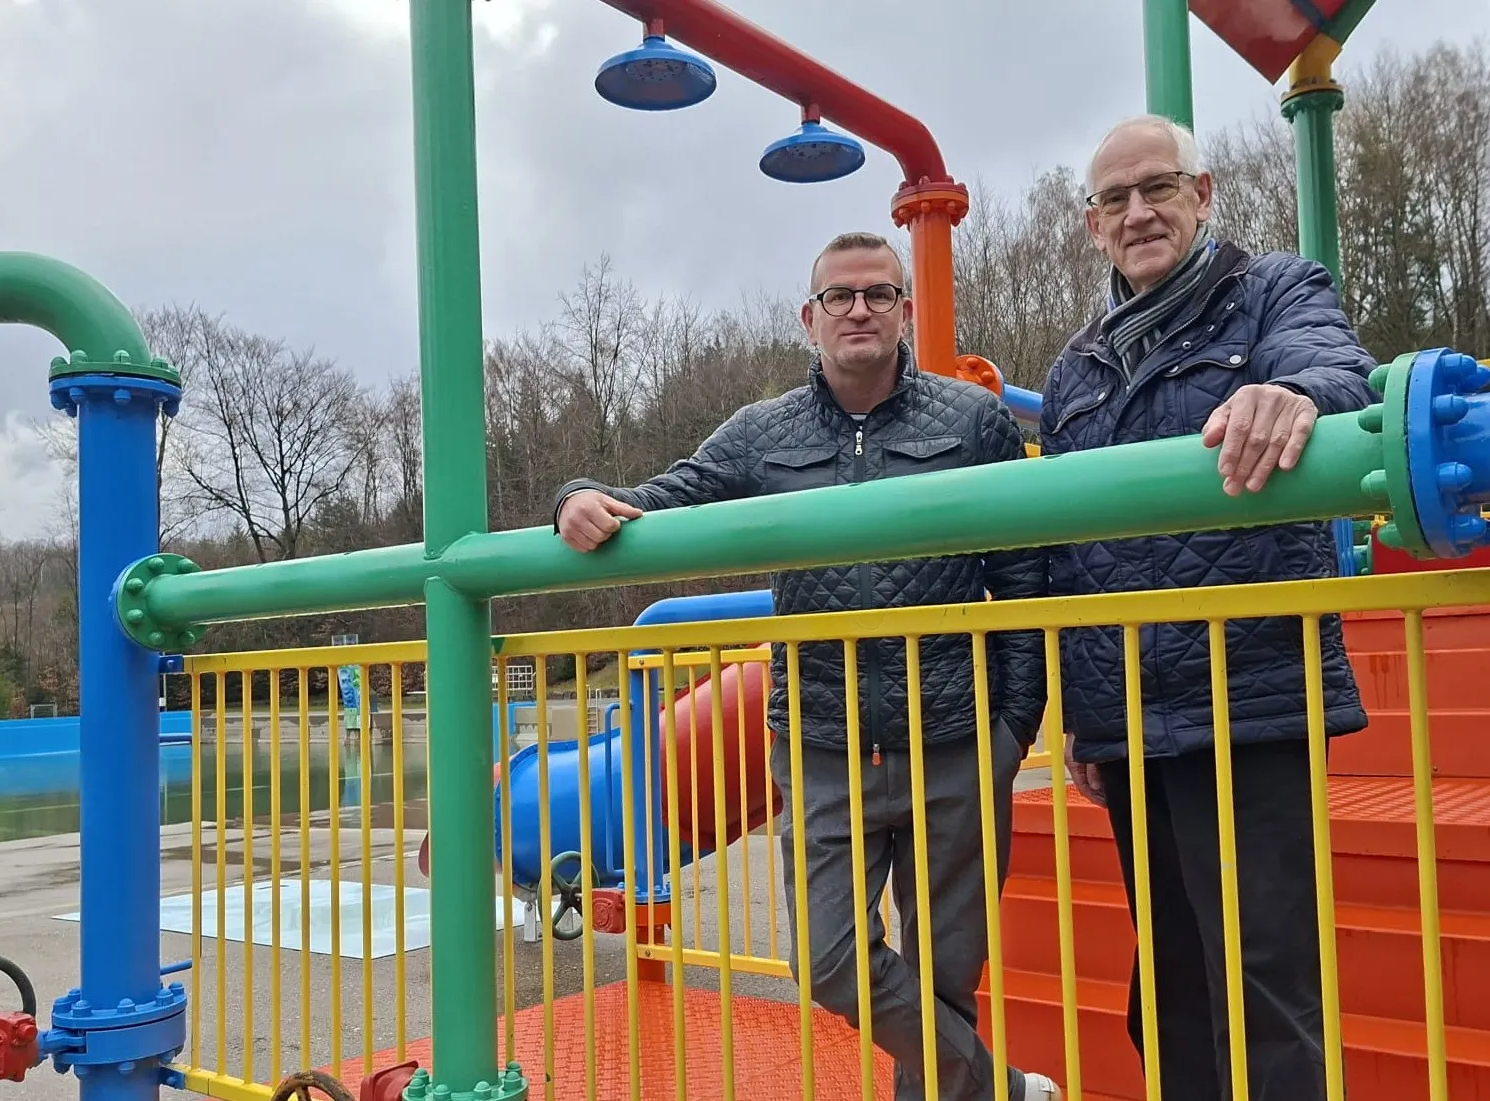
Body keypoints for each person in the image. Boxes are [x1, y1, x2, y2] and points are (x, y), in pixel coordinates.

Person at [553, 231, 1058, 1101]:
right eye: (839, 296)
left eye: (877, 293)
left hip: (955, 736)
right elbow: (666, 495)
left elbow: (1020, 578)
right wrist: (575, 496)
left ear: (905, 309)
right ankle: (1003, 1089)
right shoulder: (762, 432)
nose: (857, 309)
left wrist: (1012, 728)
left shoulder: (970, 420)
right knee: (828, 963)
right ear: (809, 317)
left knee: (944, 973)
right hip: (822, 743)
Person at [1040, 114, 1376, 1100]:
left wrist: (1295, 394)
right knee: (1171, 982)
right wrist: (1077, 712)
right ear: (1091, 224)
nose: (1138, 212)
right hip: (1129, 718)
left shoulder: (1274, 291)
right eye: (1115, 199)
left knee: (1266, 977)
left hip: (1249, 691)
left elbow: (1335, 372)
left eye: (1159, 188)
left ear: (1204, 193)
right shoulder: (1075, 370)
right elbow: (1063, 550)